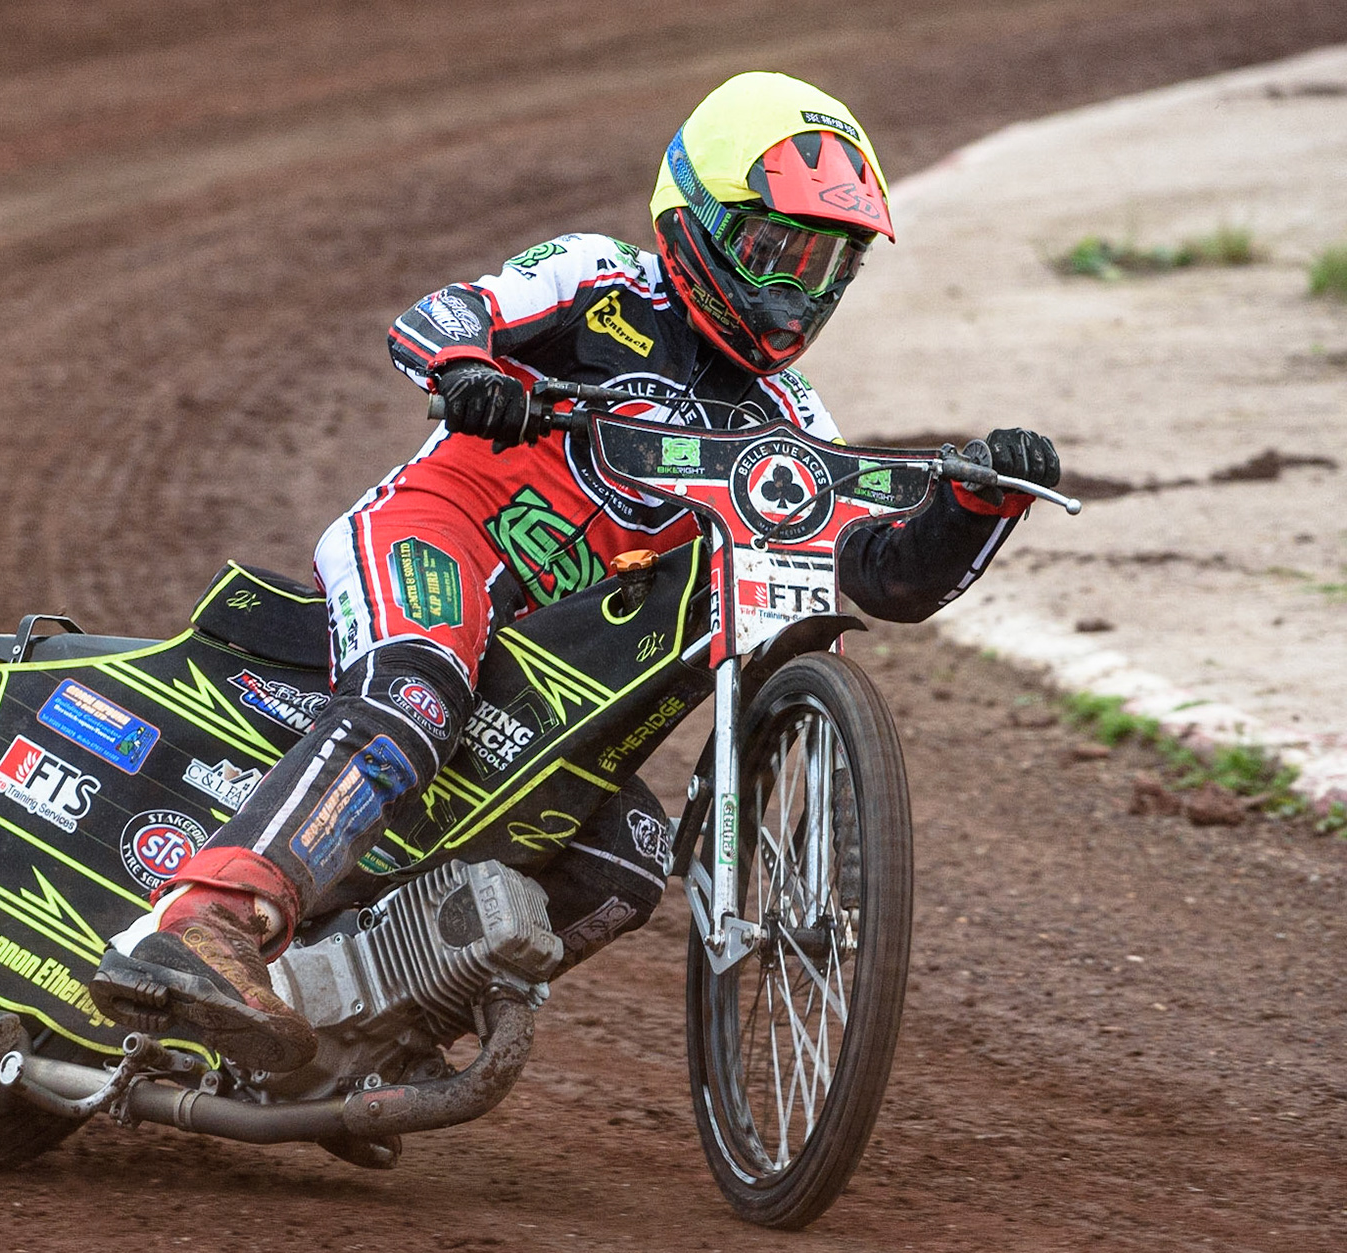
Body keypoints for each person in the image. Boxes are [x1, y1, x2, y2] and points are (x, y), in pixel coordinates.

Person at [92, 71, 1059, 1072]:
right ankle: (209, 918)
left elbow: (885, 576)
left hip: (554, 662)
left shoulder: (793, 420)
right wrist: (470, 372)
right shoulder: (600, 280)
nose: (795, 292)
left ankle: (366, 1034)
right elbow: (445, 313)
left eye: (826, 267)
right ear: (697, 216)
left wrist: (972, 507)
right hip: (438, 536)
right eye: (775, 252)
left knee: (626, 855)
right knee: (418, 689)